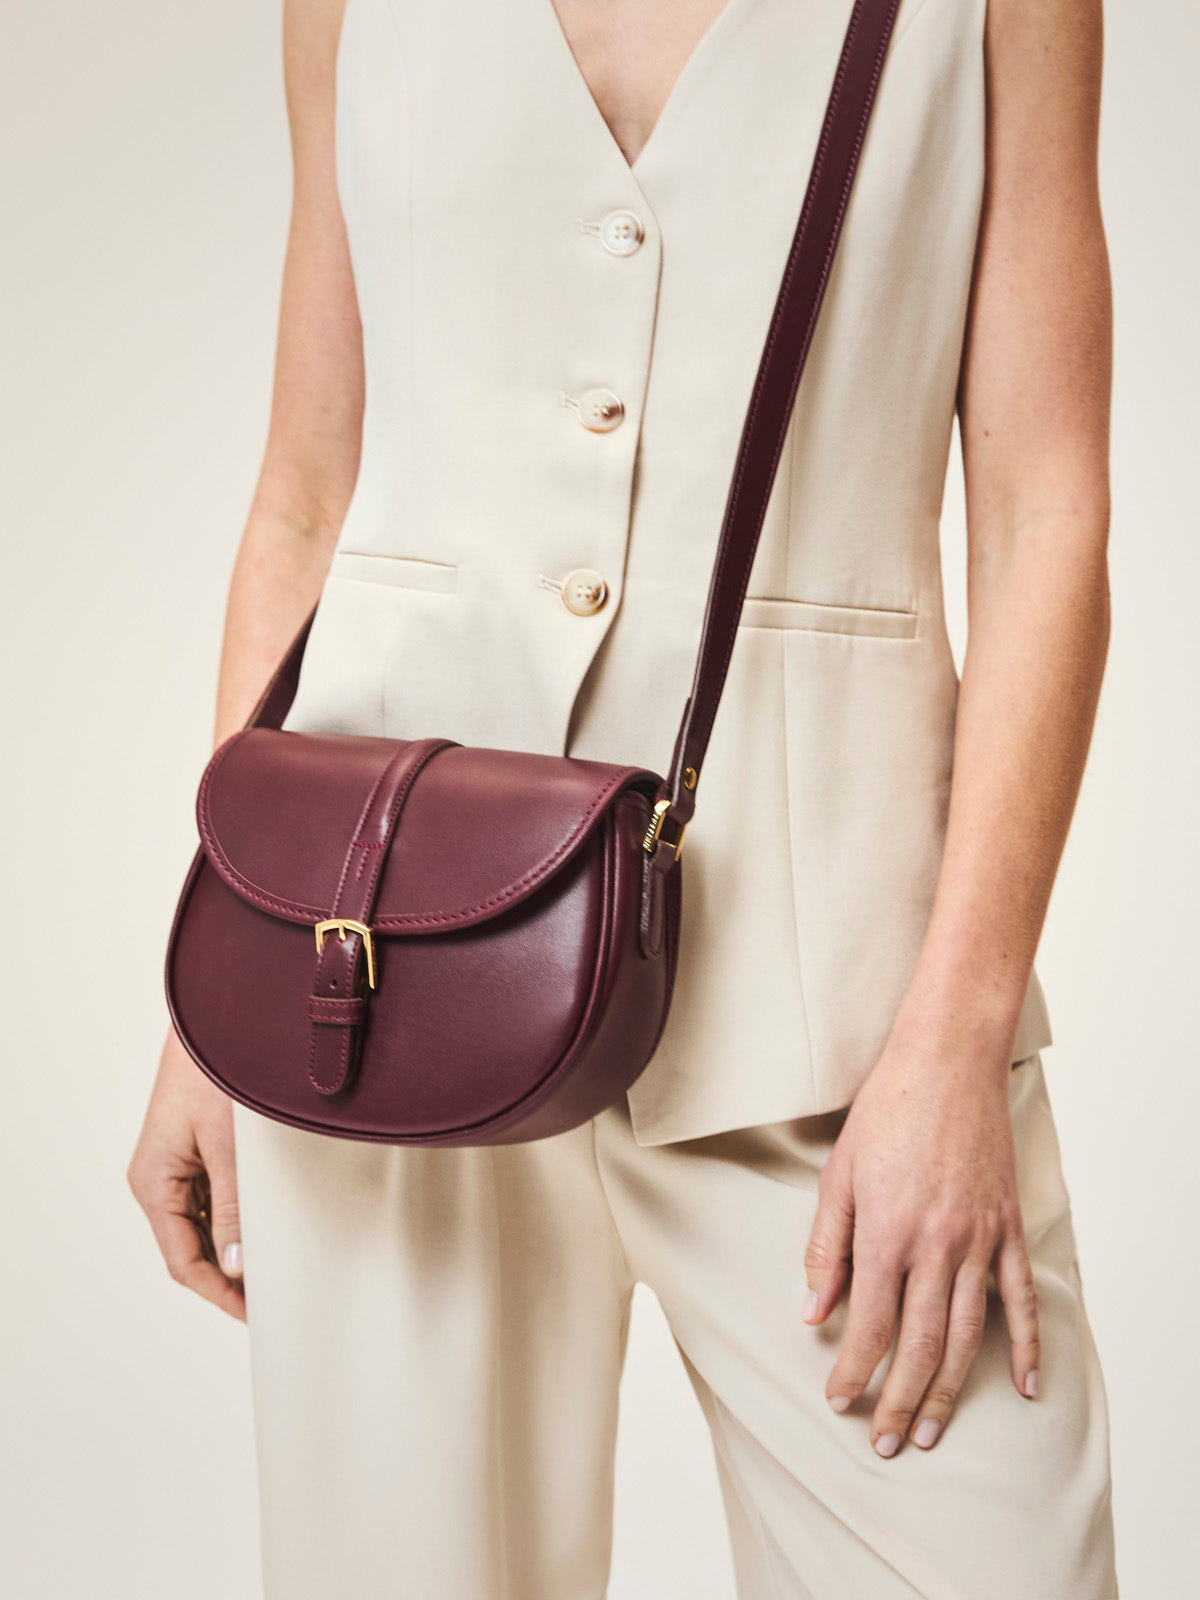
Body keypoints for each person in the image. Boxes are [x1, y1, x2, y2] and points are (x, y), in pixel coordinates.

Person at [128, 0, 1120, 1594]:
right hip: (376, 971)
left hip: (843, 1002)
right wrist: (214, 996)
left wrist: (959, 1028)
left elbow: (1045, 512)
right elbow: (307, 491)